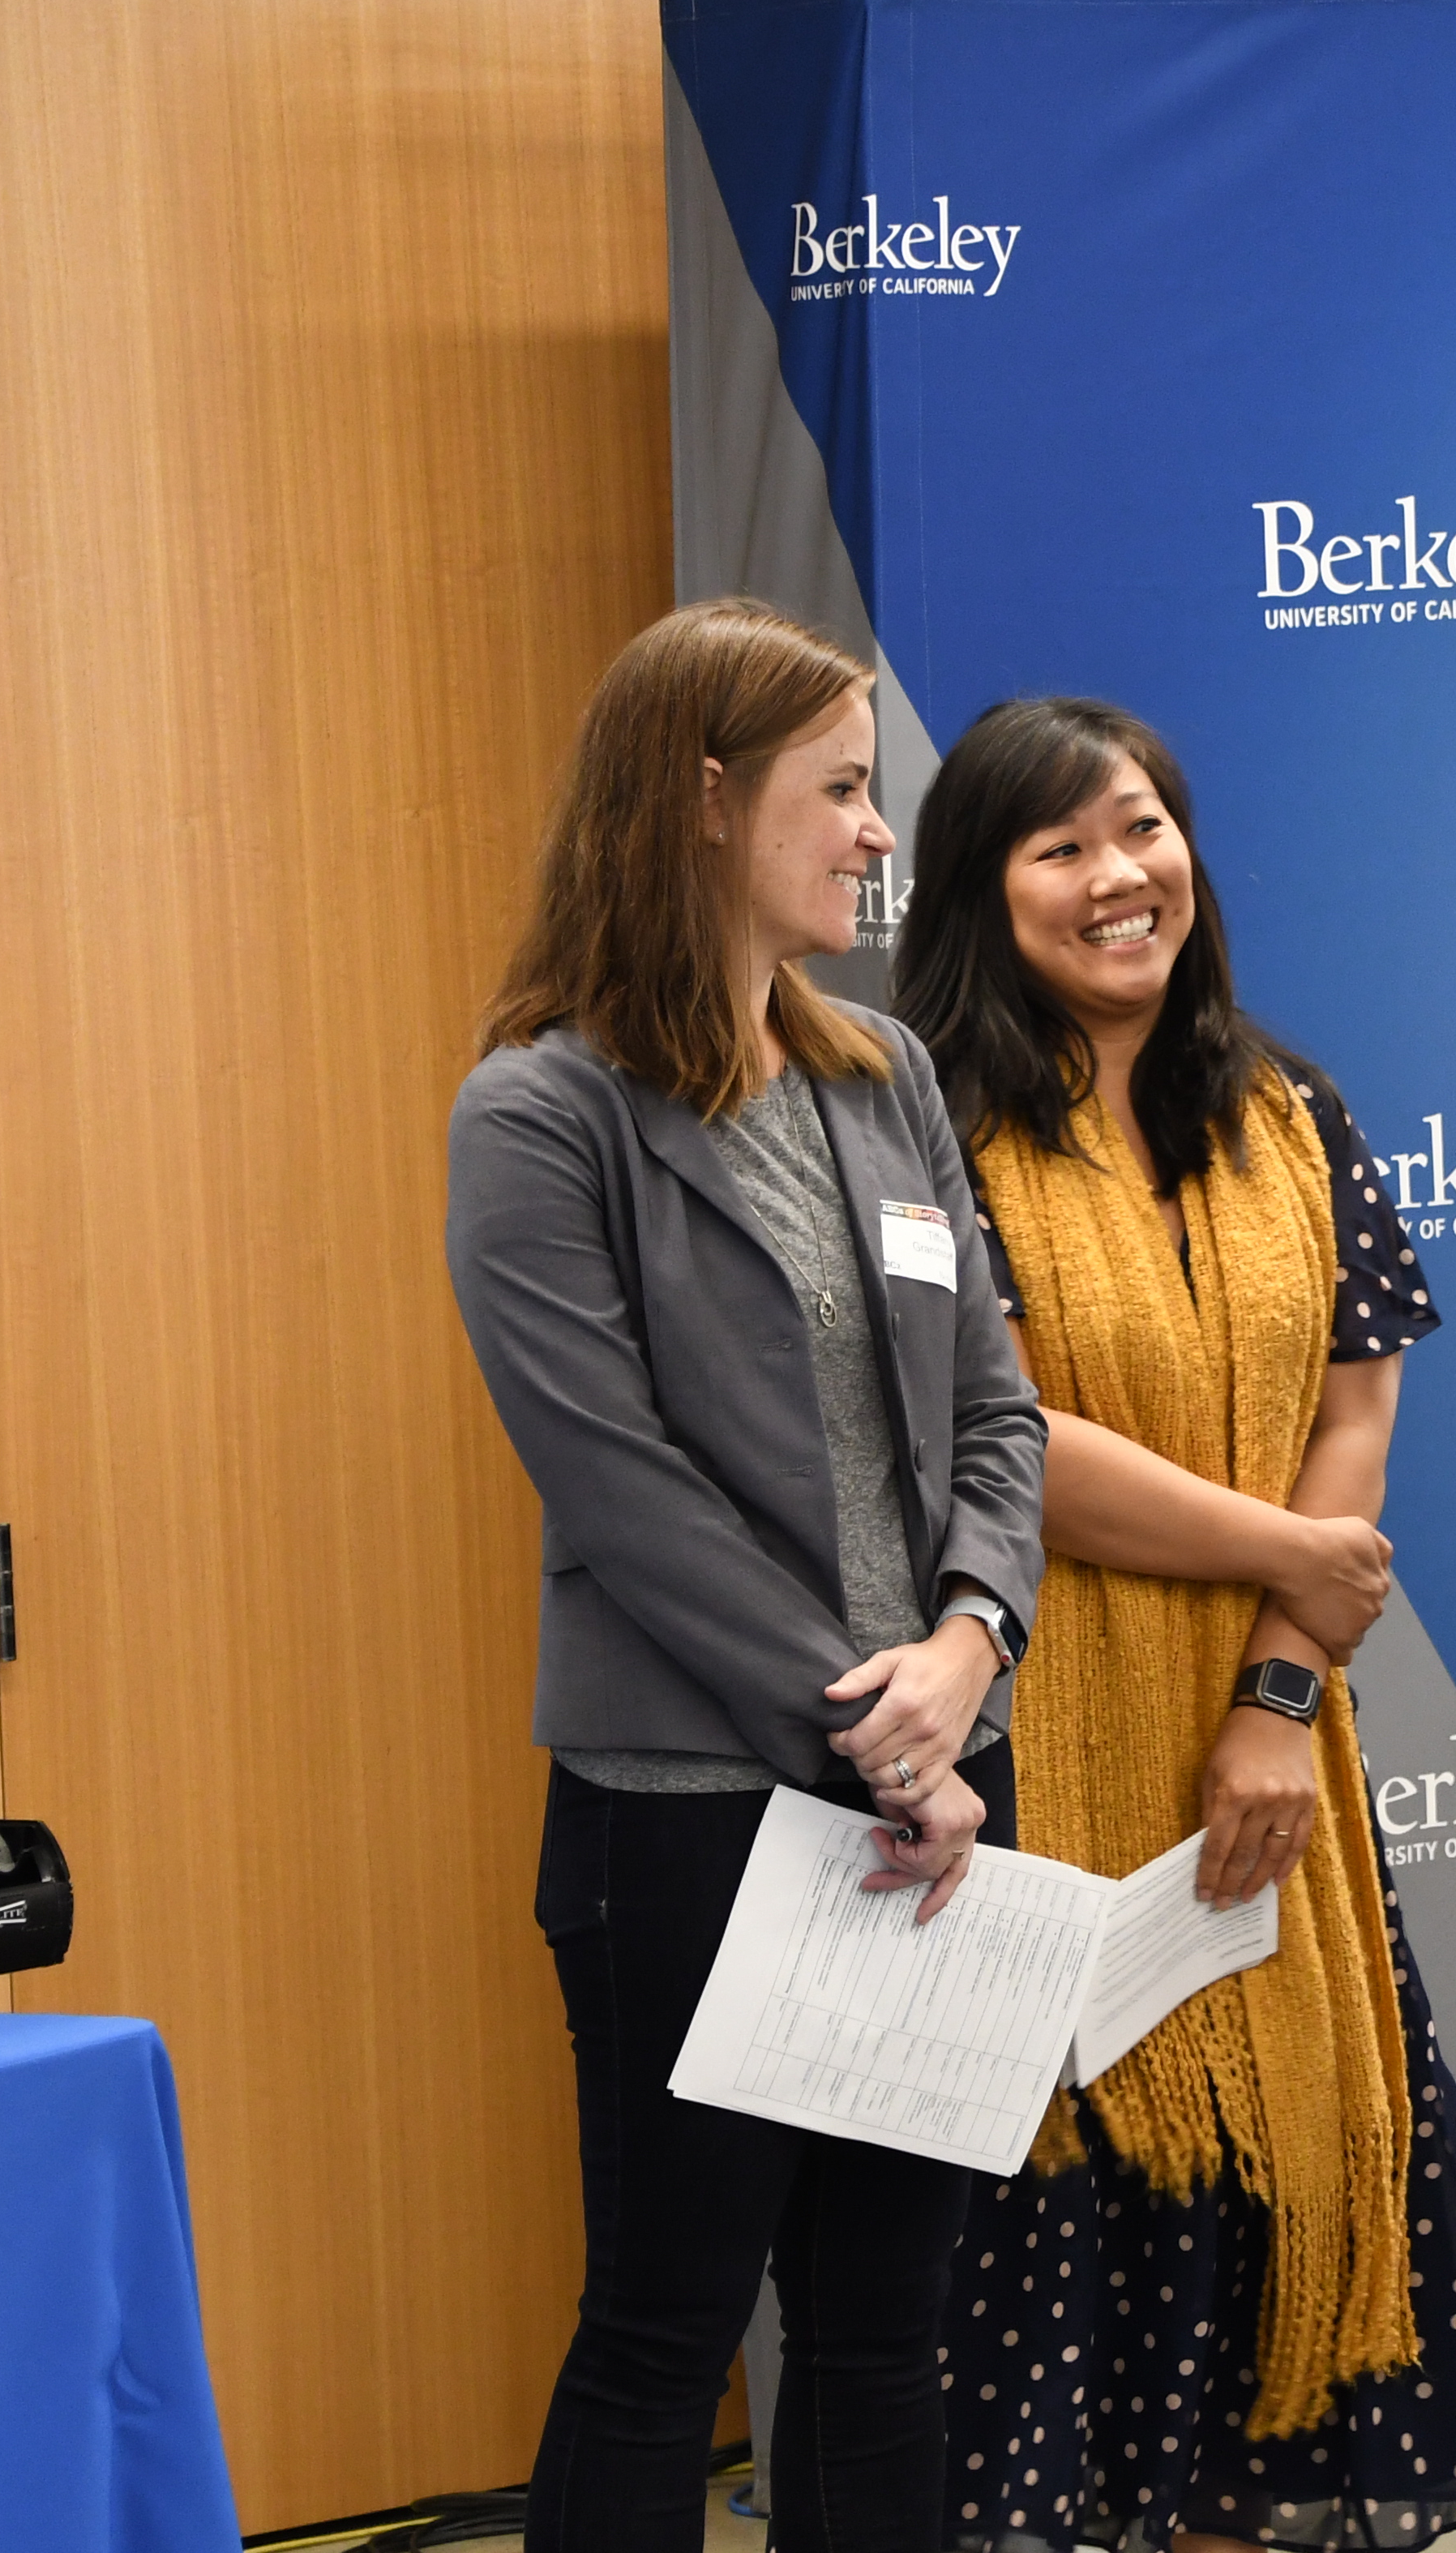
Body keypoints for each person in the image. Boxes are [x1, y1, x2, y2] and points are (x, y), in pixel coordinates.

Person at [893, 696, 1456, 2553]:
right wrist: (1296, 1551)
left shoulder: (1289, 1111)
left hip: (1277, 1786)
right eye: (1062, 848)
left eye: (1144, 827)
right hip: (1023, 1773)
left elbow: (1354, 1402)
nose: (1122, 878)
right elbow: (1006, 1437)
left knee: (1273, 2230)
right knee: (1064, 2268)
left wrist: (1282, 1681)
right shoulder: (918, 1129)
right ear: (982, 891)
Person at [445, 598, 1050, 2553]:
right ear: (704, 801)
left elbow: (1000, 1421)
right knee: (663, 2329)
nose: (883, 830)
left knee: (884, 2338)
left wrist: (968, 1643)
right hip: (703, 1820)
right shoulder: (539, 1112)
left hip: (942, 1786)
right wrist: (877, 1725)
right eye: (843, 787)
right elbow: (623, 1495)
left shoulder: (879, 1075)